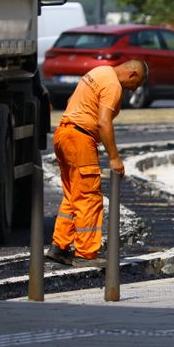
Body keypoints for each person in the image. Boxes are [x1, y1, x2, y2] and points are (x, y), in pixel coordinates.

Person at [46, 60, 147, 268]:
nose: (134, 89)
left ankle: (60, 247)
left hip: (64, 133)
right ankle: (86, 254)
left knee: (74, 194)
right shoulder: (113, 86)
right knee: (90, 197)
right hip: (79, 139)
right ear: (132, 73)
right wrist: (114, 157)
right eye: (137, 83)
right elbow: (103, 121)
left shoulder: (99, 72)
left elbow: (71, 100)